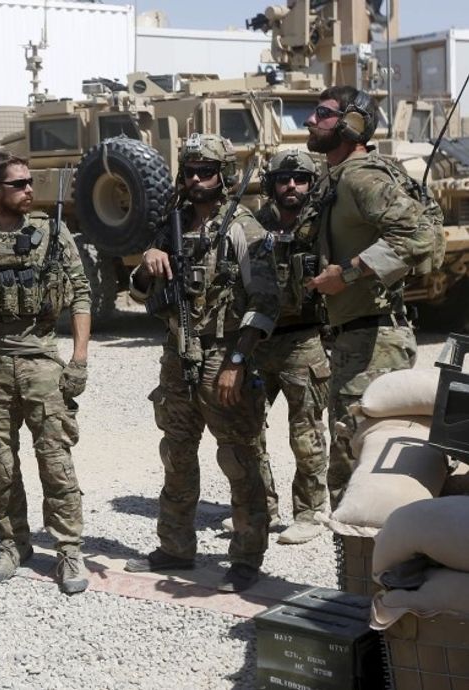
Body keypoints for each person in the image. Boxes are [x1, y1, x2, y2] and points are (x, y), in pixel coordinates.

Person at [124, 133, 280, 593]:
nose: (196, 180)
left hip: (221, 355)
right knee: (176, 453)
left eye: (206, 172)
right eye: (190, 171)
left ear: (223, 175)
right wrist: (146, 263)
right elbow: (140, 293)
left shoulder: (242, 228)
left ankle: (247, 557)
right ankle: (175, 547)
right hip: (178, 357)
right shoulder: (170, 227)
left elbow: (266, 302)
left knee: (239, 458)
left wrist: (237, 360)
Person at [0, 151, 92, 596]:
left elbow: (80, 294)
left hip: (41, 361)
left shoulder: (52, 233)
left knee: (55, 460)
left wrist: (79, 359)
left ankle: (68, 549)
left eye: (30, 182)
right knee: (1, 464)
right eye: (20, 184)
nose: (30, 190)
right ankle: (13, 543)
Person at [302, 86, 434, 509]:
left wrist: (347, 273)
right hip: (357, 339)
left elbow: (420, 235)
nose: (310, 121)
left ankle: (370, 551)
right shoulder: (339, 177)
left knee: (362, 472)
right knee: (353, 462)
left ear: (351, 125)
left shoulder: (362, 178)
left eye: (323, 113)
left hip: (373, 344)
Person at [246, 149, 331, 545]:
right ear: (272, 184)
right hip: (260, 339)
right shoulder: (254, 224)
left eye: (300, 179)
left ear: (312, 184)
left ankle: (310, 512)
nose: (291, 186)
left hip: (304, 339)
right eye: (283, 179)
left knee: (306, 432)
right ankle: (261, 508)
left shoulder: (324, 224)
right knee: (248, 428)